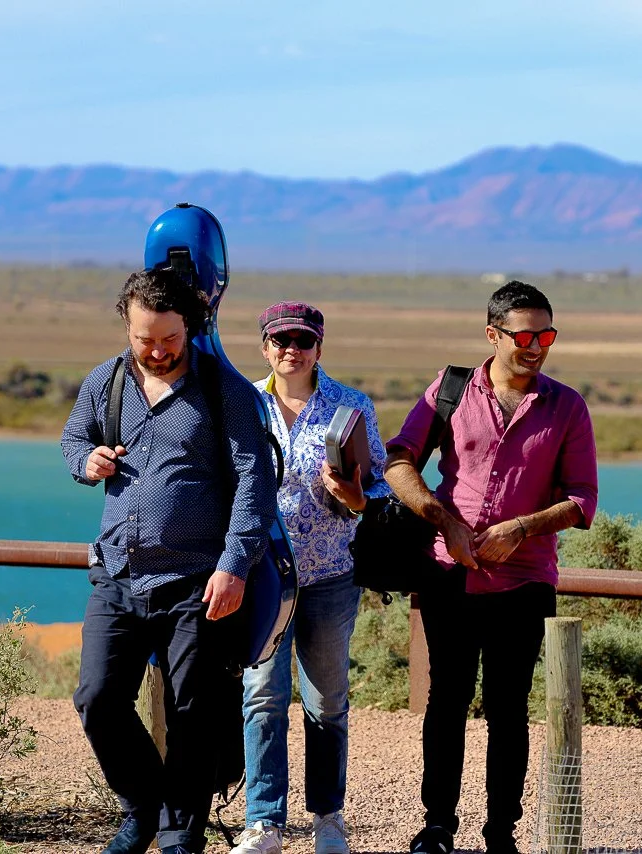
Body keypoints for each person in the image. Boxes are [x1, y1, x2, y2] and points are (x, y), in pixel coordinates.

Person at [61, 268, 278, 854]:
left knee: (192, 711)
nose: (157, 351)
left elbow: (255, 484)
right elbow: (73, 440)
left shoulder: (226, 392)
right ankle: (143, 810)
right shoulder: (104, 382)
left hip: (198, 581)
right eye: (145, 339)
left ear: (192, 327)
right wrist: (86, 462)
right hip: (118, 573)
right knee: (98, 698)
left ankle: (181, 835)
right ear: (126, 327)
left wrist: (234, 565)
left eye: (169, 339)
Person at [385, 281, 599, 854]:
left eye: (546, 337)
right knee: (446, 701)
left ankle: (501, 833)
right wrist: (443, 520)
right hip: (447, 574)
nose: (536, 348)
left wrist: (521, 528)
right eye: (524, 337)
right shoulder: (450, 389)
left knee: (509, 710)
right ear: (493, 335)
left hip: (524, 581)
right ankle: (437, 826)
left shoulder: (567, 406)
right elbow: (399, 460)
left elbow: (582, 499)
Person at [231, 302, 389, 854]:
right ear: (264, 347)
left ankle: (327, 819)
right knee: (262, 697)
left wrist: (356, 495)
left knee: (326, 704)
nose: (291, 350)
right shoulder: (243, 403)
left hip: (330, 577)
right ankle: (264, 824)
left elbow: (380, 488)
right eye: (280, 340)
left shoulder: (351, 406)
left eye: (302, 340)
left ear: (319, 347)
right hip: (262, 578)